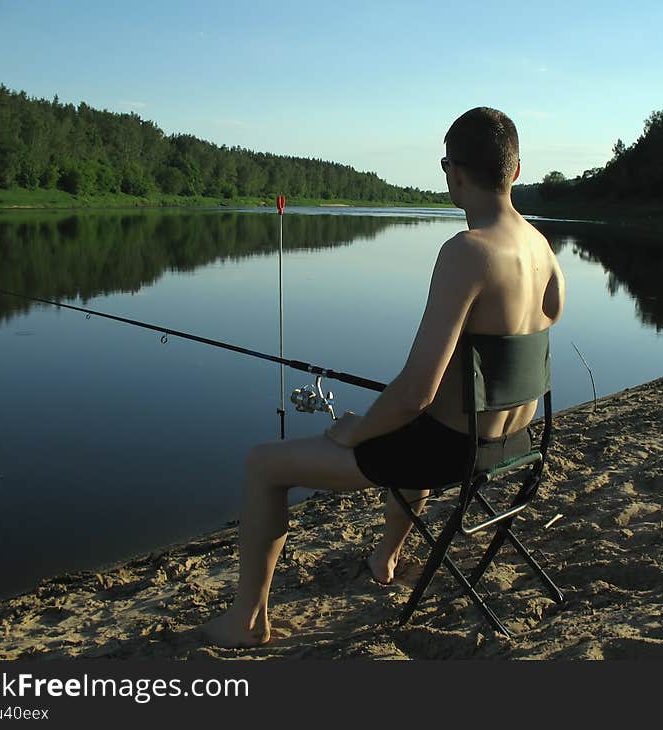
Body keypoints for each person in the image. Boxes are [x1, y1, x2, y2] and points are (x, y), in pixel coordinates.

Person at [199, 107, 565, 648]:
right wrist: (394, 415)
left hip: (449, 449)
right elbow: (513, 346)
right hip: (513, 442)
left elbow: (416, 393)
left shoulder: (468, 251)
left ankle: (246, 621)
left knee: (264, 465)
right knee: (402, 424)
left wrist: (359, 430)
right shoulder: (542, 248)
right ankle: (385, 557)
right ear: (515, 171)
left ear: (454, 173)